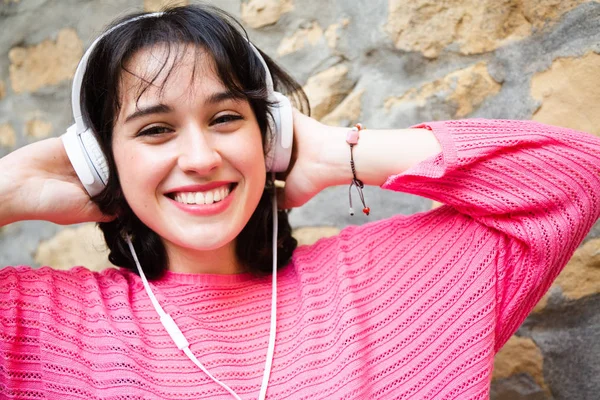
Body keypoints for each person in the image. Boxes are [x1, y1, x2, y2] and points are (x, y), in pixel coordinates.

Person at [1, 4, 599, 399]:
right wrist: (11, 188)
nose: (202, 156)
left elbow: (576, 174)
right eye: (155, 129)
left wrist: (340, 153)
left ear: (272, 140)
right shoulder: (35, 323)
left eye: (226, 117)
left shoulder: (390, 283)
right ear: (102, 160)